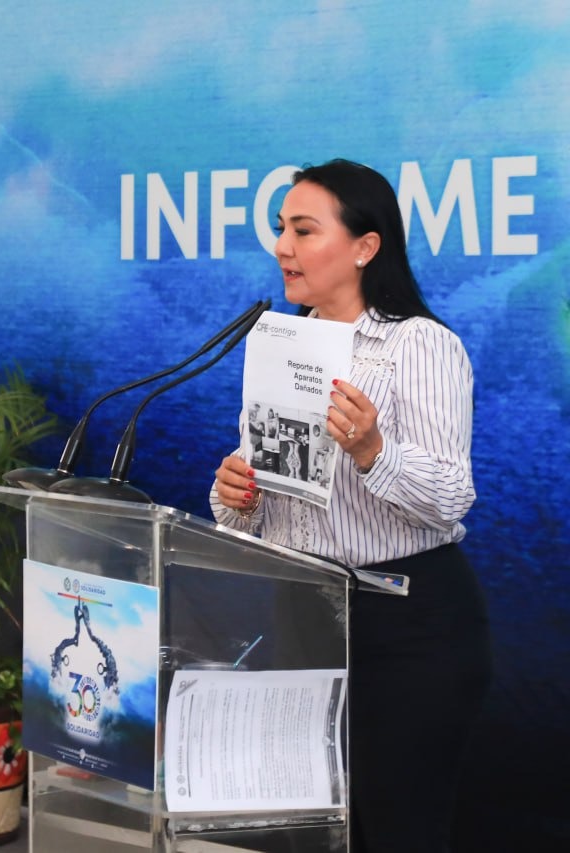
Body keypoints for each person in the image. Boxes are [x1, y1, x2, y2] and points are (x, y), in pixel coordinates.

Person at [209, 159, 491, 853]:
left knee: (399, 829)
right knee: (313, 833)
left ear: (365, 246)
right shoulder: (283, 342)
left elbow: (452, 497)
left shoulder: (419, 344)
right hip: (302, 617)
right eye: (281, 229)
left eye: (304, 230)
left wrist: (372, 450)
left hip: (406, 625)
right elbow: (259, 507)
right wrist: (236, 494)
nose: (283, 246)